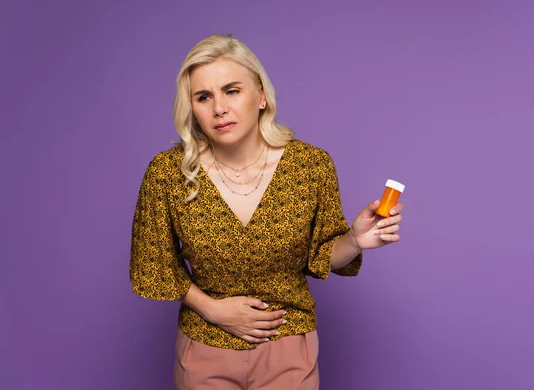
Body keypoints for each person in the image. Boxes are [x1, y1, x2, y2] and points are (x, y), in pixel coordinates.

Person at [129, 34, 403, 390]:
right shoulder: (167, 173)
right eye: (203, 97)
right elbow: (154, 264)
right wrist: (214, 310)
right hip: (205, 346)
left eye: (232, 90)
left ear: (261, 96)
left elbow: (322, 255)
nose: (219, 109)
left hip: (289, 346)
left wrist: (354, 239)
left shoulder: (310, 165)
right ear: (192, 107)